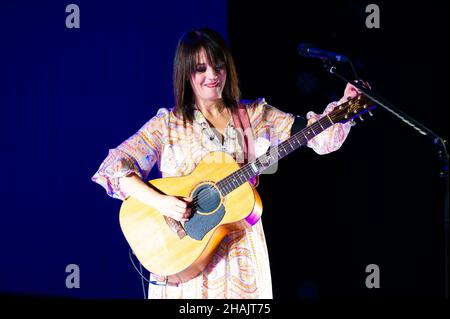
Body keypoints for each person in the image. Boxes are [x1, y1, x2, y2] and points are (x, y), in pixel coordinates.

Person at [91, 28, 361, 299]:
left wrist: (345, 106)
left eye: (218, 66)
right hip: (183, 257)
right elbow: (115, 168)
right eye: (201, 69)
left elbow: (321, 140)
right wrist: (162, 203)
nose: (213, 75)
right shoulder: (167, 125)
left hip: (239, 255)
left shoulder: (254, 115)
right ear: (186, 74)